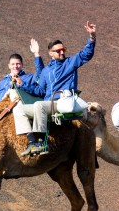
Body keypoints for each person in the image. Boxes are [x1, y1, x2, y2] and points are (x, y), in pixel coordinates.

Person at [13, 21, 96, 156]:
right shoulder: (46, 71)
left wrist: (92, 37)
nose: (62, 52)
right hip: (48, 103)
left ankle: (42, 143)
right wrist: (22, 85)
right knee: (18, 109)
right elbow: (39, 91)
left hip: (61, 102)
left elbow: (86, 54)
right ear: (51, 54)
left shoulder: (70, 63)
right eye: (59, 51)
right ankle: (32, 141)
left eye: (64, 50)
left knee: (39, 105)